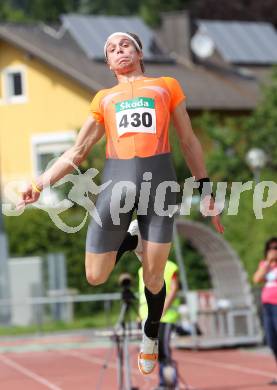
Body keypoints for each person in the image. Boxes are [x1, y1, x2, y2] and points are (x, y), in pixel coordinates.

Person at [18, 31, 224, 375]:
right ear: (109, 63)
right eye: (111, 49)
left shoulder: (166, 86)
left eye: (125, 45)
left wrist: (206, 190)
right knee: (95, 275)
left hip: (159, 185)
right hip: (116, 185)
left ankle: (151, 334)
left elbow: (188, 141)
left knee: (155, 276)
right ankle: (132, 239)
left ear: (139, 52)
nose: (119, 51)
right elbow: (77, 151)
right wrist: (40, 183)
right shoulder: (104, 99)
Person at [137, 238, 181, 388]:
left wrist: (162, 310)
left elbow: (174, 289)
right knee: (152, 352)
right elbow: (142, 294)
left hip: (165, 317)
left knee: (164, 352)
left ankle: (170, 383)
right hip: (146, 317)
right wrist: (139, 313)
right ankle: (163, 383)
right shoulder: (142, 269)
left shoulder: (170, 267)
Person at [253, 237, 277, 386]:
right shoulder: (265, 265)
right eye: (271, 248)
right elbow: (256, 279)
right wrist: (268, 263)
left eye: (276, 248)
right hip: (267, 306)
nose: (273, 251)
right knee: (272, 341)